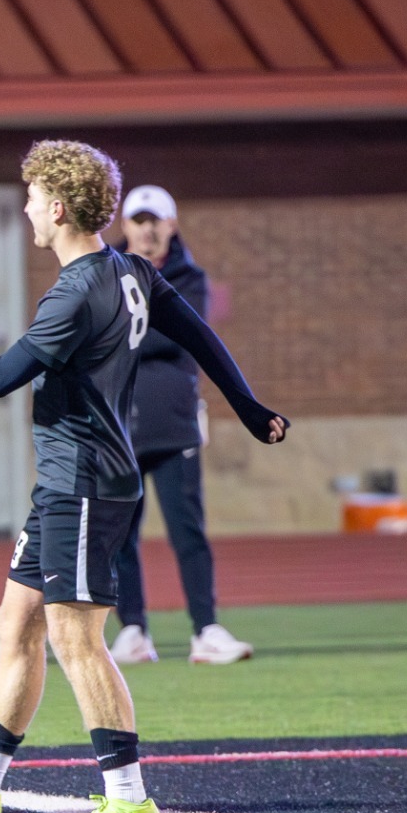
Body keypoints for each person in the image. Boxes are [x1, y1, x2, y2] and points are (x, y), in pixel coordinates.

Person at [0, 141, 287, 813]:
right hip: (68, 483)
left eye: (35, 196)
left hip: (85, 484)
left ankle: (128, 796)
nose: (27, 208)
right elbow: (199, 336)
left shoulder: (75, 291)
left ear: (60, 206)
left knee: (75, 636)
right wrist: (250, 408)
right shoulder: (129, 269)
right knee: (17, 623)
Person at [107, 185, 254, 666]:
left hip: (174, 429)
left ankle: (205, 629)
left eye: (157, 221)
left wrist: (128, 330)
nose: (147, 230)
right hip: (119, 426)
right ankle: (132, 629)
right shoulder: (106, 271)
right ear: (125, 226)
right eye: (139, 220)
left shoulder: (190, 278)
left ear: (171, 225)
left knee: (188, 530)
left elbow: (174, 338)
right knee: (121, 535)